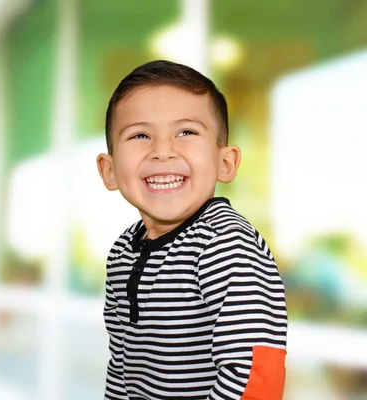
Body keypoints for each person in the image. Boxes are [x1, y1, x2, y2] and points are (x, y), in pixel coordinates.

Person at [96, 60, 287, 400]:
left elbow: (255, 369)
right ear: (109, 170)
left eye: (186, 132)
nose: (163, 152)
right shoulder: (122, 251)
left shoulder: (227, 243)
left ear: (225, 162)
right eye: (140, 135)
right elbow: (121, 365)